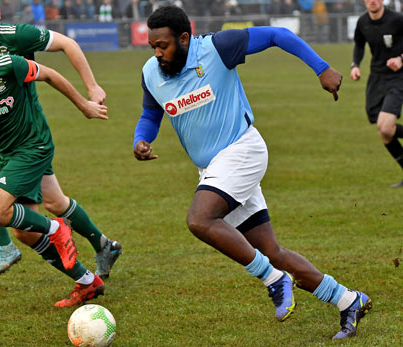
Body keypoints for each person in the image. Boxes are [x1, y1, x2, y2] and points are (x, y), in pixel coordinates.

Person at [133, 6, 371, 340]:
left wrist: (322, 68)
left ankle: (274, 280)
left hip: (242, 151)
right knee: (272, 253)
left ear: (184, 38)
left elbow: (277, 35)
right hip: (214, 170)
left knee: (200, 220)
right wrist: (141, 139)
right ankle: (348, 300)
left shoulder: (218, 48)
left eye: (164, 46)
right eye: (153, 47)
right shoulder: (152, 73)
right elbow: (150, 113)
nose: (157, 53)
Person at [0, 0, 122, 281]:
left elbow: (67, 45)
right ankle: (101, 249)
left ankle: (11, 244)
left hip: (29, 133)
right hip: (4, 139)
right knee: (53, 203)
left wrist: (90, 89)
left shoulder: (16, 38)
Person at [351, 0, 403, 187]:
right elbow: (358, 45)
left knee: (386, 127)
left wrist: (400, 59)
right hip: (376, 78)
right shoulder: (362, 22)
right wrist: (355, 65)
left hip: (398, 77)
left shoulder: (397, 19)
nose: (372, 1)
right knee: (384, 132)